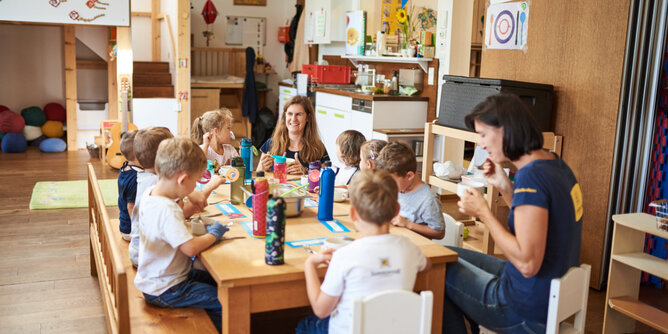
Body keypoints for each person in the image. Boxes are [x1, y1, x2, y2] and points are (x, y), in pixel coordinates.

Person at [443, 93, 583, 333]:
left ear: (506, 130)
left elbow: (528, 263)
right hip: (545, 292)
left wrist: (484, 213)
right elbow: (535, 222)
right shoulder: (555, 165)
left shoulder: (532, 176)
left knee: (434, 267)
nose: (482, 144)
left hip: (524, 308)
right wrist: (505, 186)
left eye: (484, 135)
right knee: (443, 254)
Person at [296, 169, 430, 334]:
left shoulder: (344, 256)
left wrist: (310, 265)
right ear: (397, 211)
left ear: (352, 214)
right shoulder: (409, 248)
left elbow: (320, 309)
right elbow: (427, 265)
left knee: (306, 324)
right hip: (394, 329)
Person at [134, 137, 228, 333]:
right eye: (195, 182)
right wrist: (215, 234)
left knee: (217, 280)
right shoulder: (166, 209)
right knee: (224, 301)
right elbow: (190, 248)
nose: (195, 188)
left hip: (158, 279)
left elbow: (171, 222)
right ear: (183, 179)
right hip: (167, 289)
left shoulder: (152, 193)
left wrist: (190, 201)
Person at [128, 127, 224, 267]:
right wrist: (214, 234)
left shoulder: (151, 183)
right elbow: (189, 211)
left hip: (144, 253)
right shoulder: (162, 195)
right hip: (152, 263)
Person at [375, 142, 445, 239]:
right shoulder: (398, 188)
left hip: (416, 248)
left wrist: (407, 224)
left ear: (409, 176)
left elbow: (439, 232)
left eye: (391, 181)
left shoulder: (428, 200)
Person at [257, 95, 329, 175]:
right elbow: (257, 178)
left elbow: (326, 179)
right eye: (290, 114)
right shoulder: (271, 143)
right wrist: (264, 169)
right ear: (285, 116)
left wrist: (305, 172)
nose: (293, 119)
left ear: (308, 117)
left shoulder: (318, 147)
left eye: (298, 114)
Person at [117, 130, 142, 241]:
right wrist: (138, 231)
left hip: (124, 224)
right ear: (138, 156)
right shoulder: (135, 178)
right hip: (130, 230)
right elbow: (131, 207)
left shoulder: (126, 167)